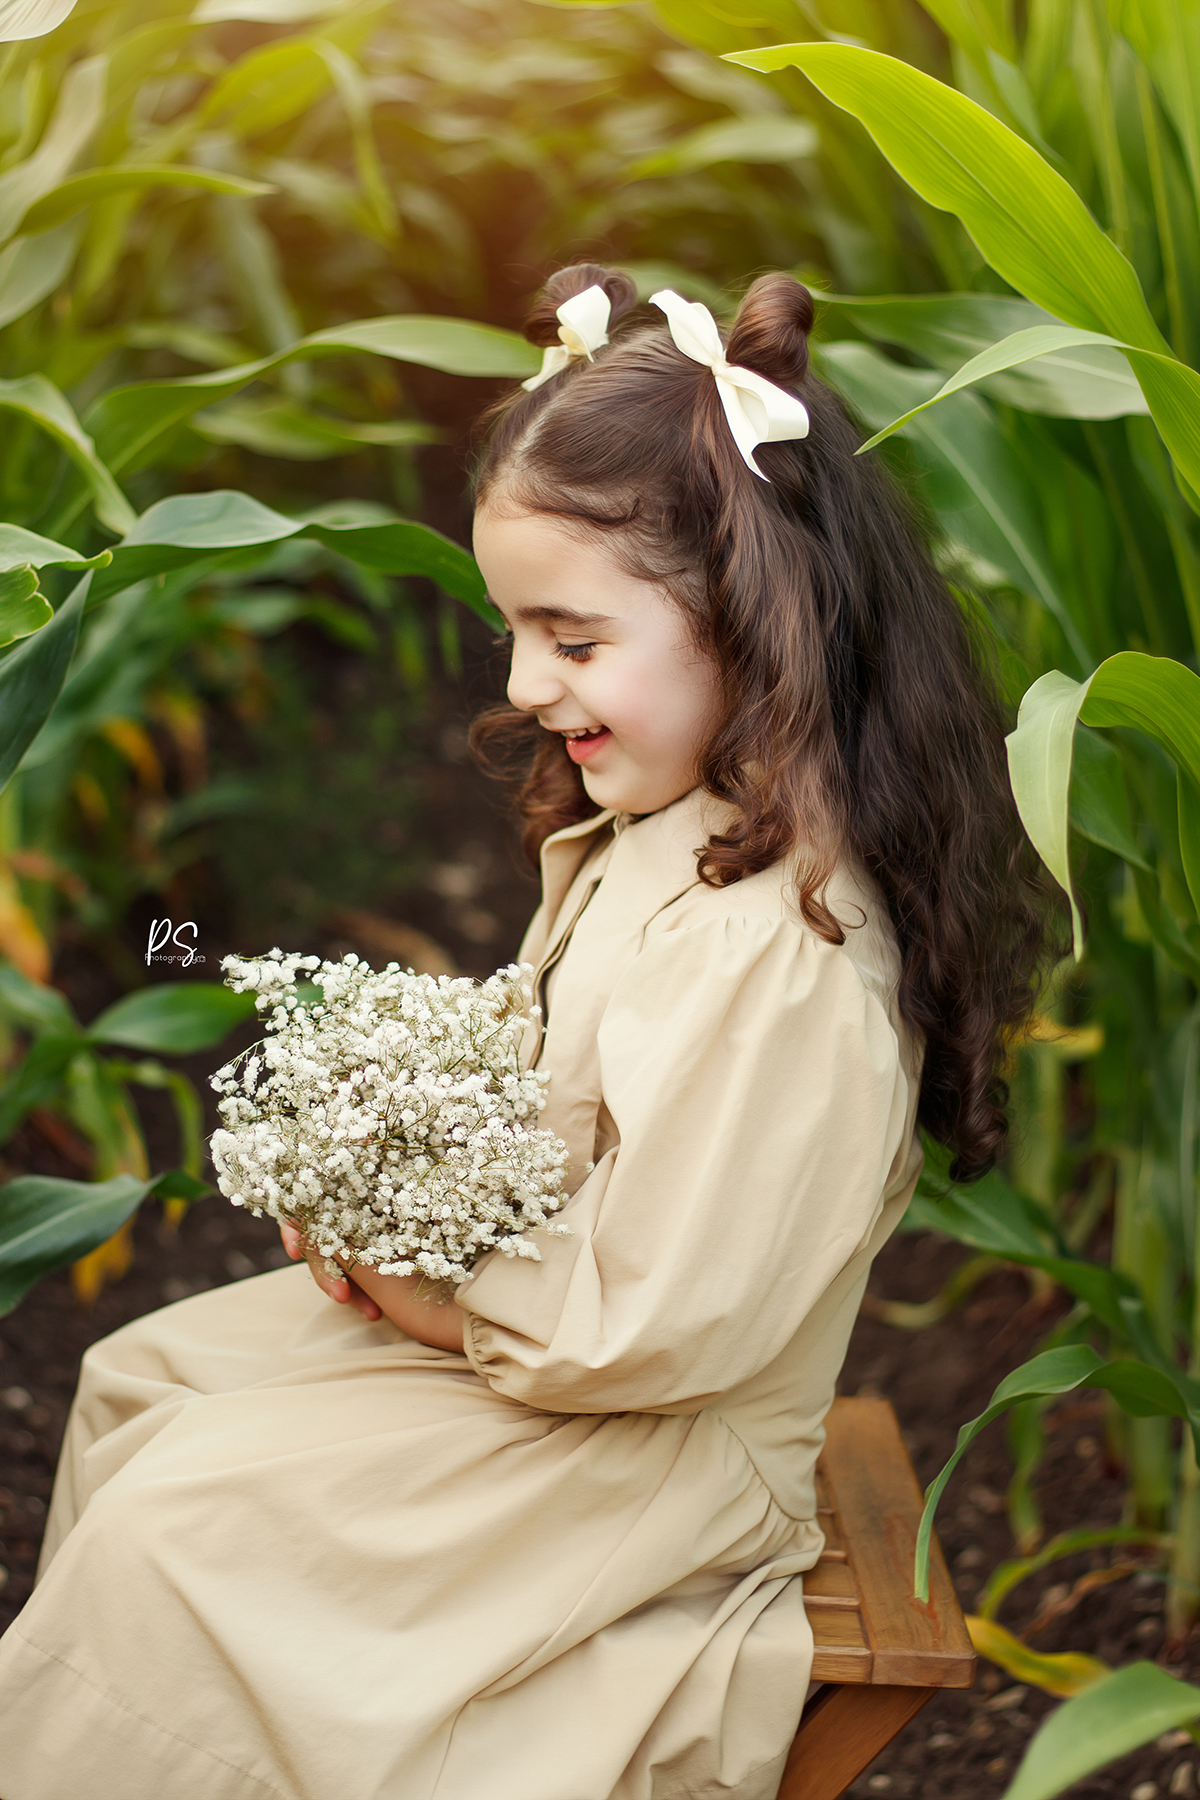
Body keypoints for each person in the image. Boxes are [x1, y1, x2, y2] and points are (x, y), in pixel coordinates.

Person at [0, 264, 1048, 1799]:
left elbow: (650, 1327)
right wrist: (378, 1181)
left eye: (568, 637)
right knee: (148, 1378)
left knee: (181, 1541)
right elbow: (552, 1101)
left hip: (649, 1441)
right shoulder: (665, 832)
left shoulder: (789, 953)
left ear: (757, 613)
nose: (521, 682)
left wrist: (423, 1293)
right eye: (513, 631)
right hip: (549, 1350)